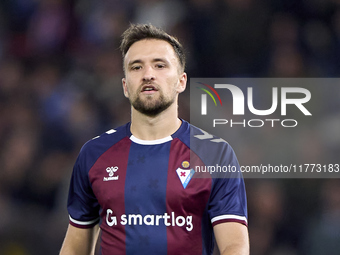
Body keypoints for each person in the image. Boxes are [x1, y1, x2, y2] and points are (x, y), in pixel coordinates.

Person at [59, 23, 249, 255]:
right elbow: (75, 245)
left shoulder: (214, 154)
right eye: (136, 67)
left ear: (181, 81)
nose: (148, 74)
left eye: (159, 65)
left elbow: (234, 246)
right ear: (125, 86)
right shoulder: (94, 154)